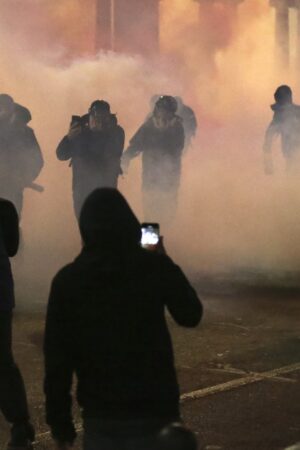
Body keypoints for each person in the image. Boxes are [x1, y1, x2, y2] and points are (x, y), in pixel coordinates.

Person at [44, 188, 202, 450]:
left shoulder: (69, 280)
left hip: (102, 418)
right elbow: (191, 314)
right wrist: (164, 260)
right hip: (157, 413)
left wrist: (60, 426)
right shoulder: (152, 267)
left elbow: (57, 360)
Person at [0, 198, 35, 450]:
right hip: (1, 295)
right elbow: (11, 248)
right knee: (2, 361)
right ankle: (20, 424)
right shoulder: (4, 208)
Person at [56, 100, 125, 219]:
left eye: (102, 117)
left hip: (106, 187)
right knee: (84, 224)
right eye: (94, 116)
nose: (97, 120)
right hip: (81, 187)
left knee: (104, 223)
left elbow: (112, 154)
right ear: (89, 116)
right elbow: (61, 155)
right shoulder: (80, 131)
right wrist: (68, 138)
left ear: (108, 118)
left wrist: (99, 133)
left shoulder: (116, 132)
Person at [122, 95, 185, 223]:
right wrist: (126, 157)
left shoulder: (177, 128)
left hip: (170, 179)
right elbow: (136, 145)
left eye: (166, 111)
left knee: (168, 213)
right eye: (161, 109)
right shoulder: (148, 126)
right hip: (150, 178)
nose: (163, 113)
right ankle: (149, 242)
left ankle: (168, 238)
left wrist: (164, 131)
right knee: (150, 213)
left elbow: (176, 148)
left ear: (172, 113)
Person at [0, 94, 44, 218]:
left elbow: (37, 160)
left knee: (11, 222)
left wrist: (25, 178)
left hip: (14, 188)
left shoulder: (25, 132)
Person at [263, 85, 300, 175]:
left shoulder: (281, 115)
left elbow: (269, 137)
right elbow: (269, 137)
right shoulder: (287, 113)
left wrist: (268, 164)